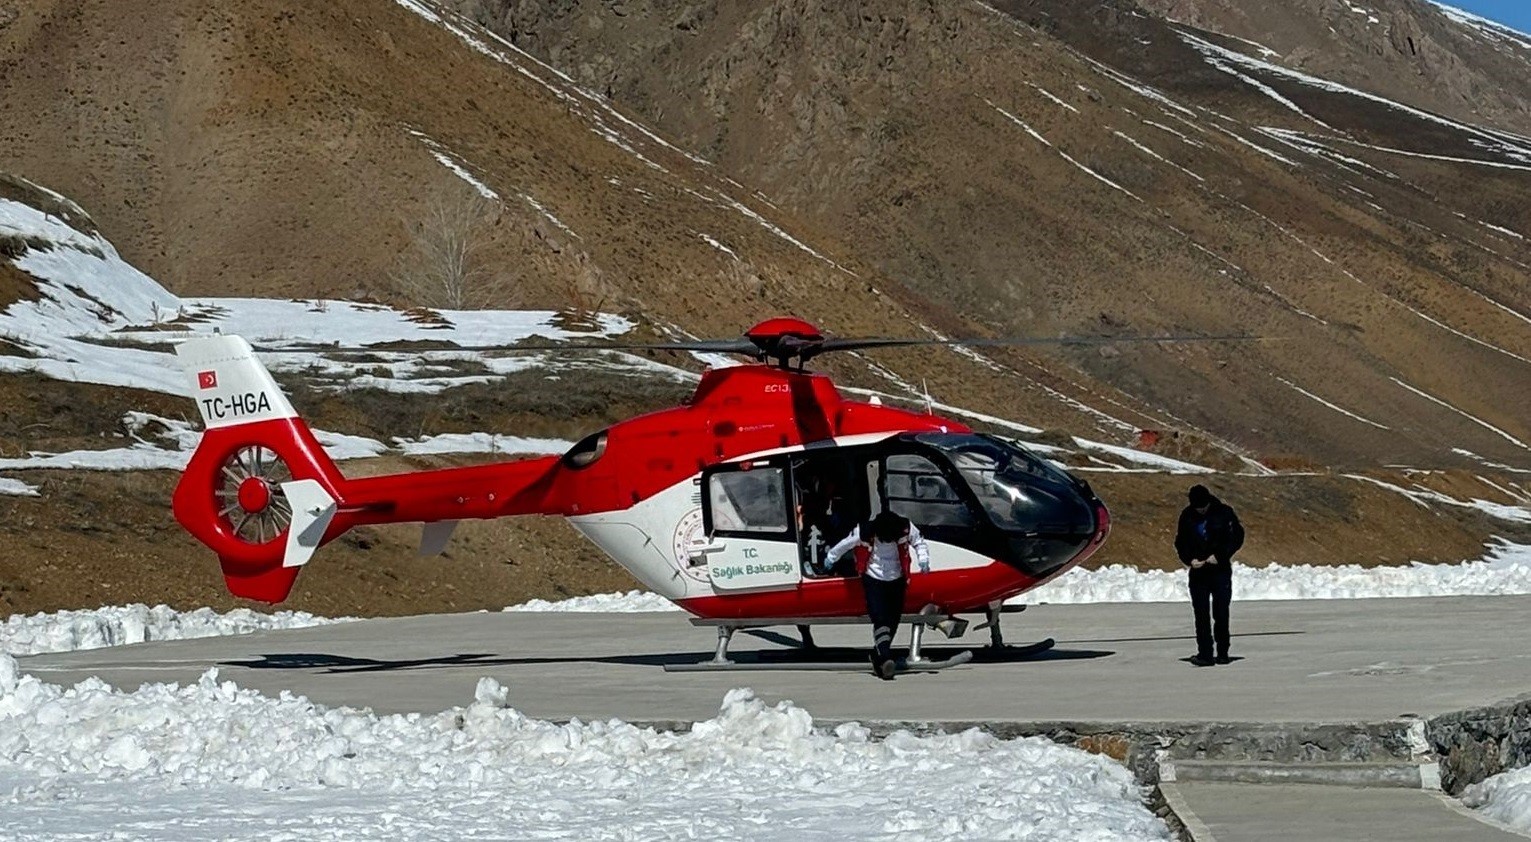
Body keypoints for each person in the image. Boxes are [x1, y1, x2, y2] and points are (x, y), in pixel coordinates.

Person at [823, 509, 932, 679]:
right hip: (873, 578)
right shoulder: (865, 530)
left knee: (893, 619)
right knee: (880, 618)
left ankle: (878, 655)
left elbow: (919, 542)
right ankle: (886, 657)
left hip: (898, 578)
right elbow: (845, 544)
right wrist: (831, 557)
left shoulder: (905, 527)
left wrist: (923, 558)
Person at [1174, 484, 1244, 667]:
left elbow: (1236, 537)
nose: (1201, 510)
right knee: (1201, 613)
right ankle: (1205, 653)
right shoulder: (1187, 516)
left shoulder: (1224, 513)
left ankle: (1222, 652)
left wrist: (1220, 556)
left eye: (1203, 507)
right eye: (1197, 508)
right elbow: (1180, 542)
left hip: (1219, 570)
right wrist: (1189, 560)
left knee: (1221, 612)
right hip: (1198, 573)